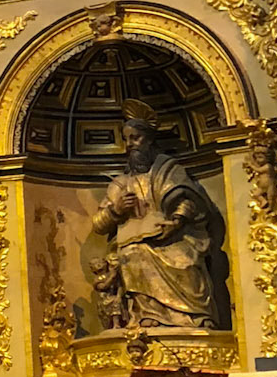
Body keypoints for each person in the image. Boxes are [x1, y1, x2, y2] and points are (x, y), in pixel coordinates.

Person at [90, 101, 218, 330]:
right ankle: (149, 314)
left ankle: (195, 316)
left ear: (149, 141)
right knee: (132, 253)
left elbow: (191, 201)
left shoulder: (170, 171)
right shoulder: (121, 183)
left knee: (186, 259)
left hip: (176, 236)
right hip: (136, 241)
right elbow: (98, 225)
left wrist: (177, 221)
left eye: (136, 138)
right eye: (127, 139)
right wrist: (116, 210)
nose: (130, 145)